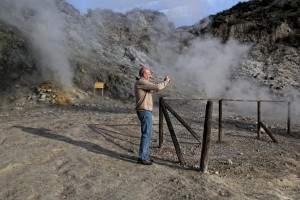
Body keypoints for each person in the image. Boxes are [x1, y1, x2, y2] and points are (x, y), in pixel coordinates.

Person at [134, 67, 171, 165]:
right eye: (149, 74)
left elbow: (154, 89)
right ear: (144, 74)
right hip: (144, 111)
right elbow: (157, 87)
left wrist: (163, 82)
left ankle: (144, 156)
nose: (150, 75)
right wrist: (166, 82)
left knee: (147, 134)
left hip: (145, 111)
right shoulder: (141, 82)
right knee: (146, 134)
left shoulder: (141, 83)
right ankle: (142, 157)